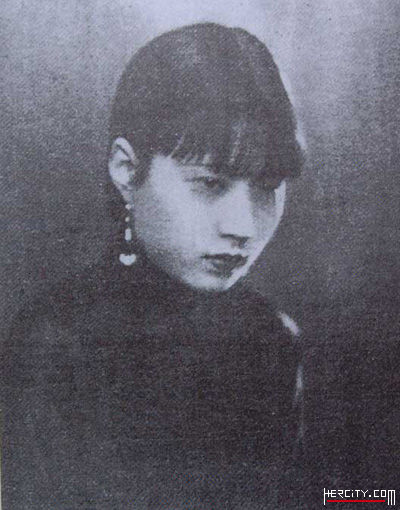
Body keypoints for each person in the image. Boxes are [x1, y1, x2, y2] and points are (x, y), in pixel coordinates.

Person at [2, 22, 305, 509]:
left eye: (267, 187)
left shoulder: (270, 340)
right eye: (209, 183)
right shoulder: (56, 343)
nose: (244, 226)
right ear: (127, 170)